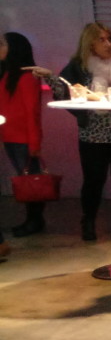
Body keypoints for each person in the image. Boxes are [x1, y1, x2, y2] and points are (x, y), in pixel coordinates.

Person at [29, 22, 111, 241]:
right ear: (89, 43)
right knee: (93, 180)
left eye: (110, 39)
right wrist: (49, 76)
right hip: (94, 133)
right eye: (101, 40)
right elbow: (65, 90)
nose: (108, 44)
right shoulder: (79, 65)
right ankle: (88, 221)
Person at [0, 31, 47, 242]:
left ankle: (35, 220)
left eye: (3, 44)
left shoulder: (27, 77)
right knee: (25, 179)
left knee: (30, 181)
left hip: (22, 138)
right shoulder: (8, 73)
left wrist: (34, 142)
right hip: (10, 135)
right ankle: (33, 219)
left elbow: (32, 111)